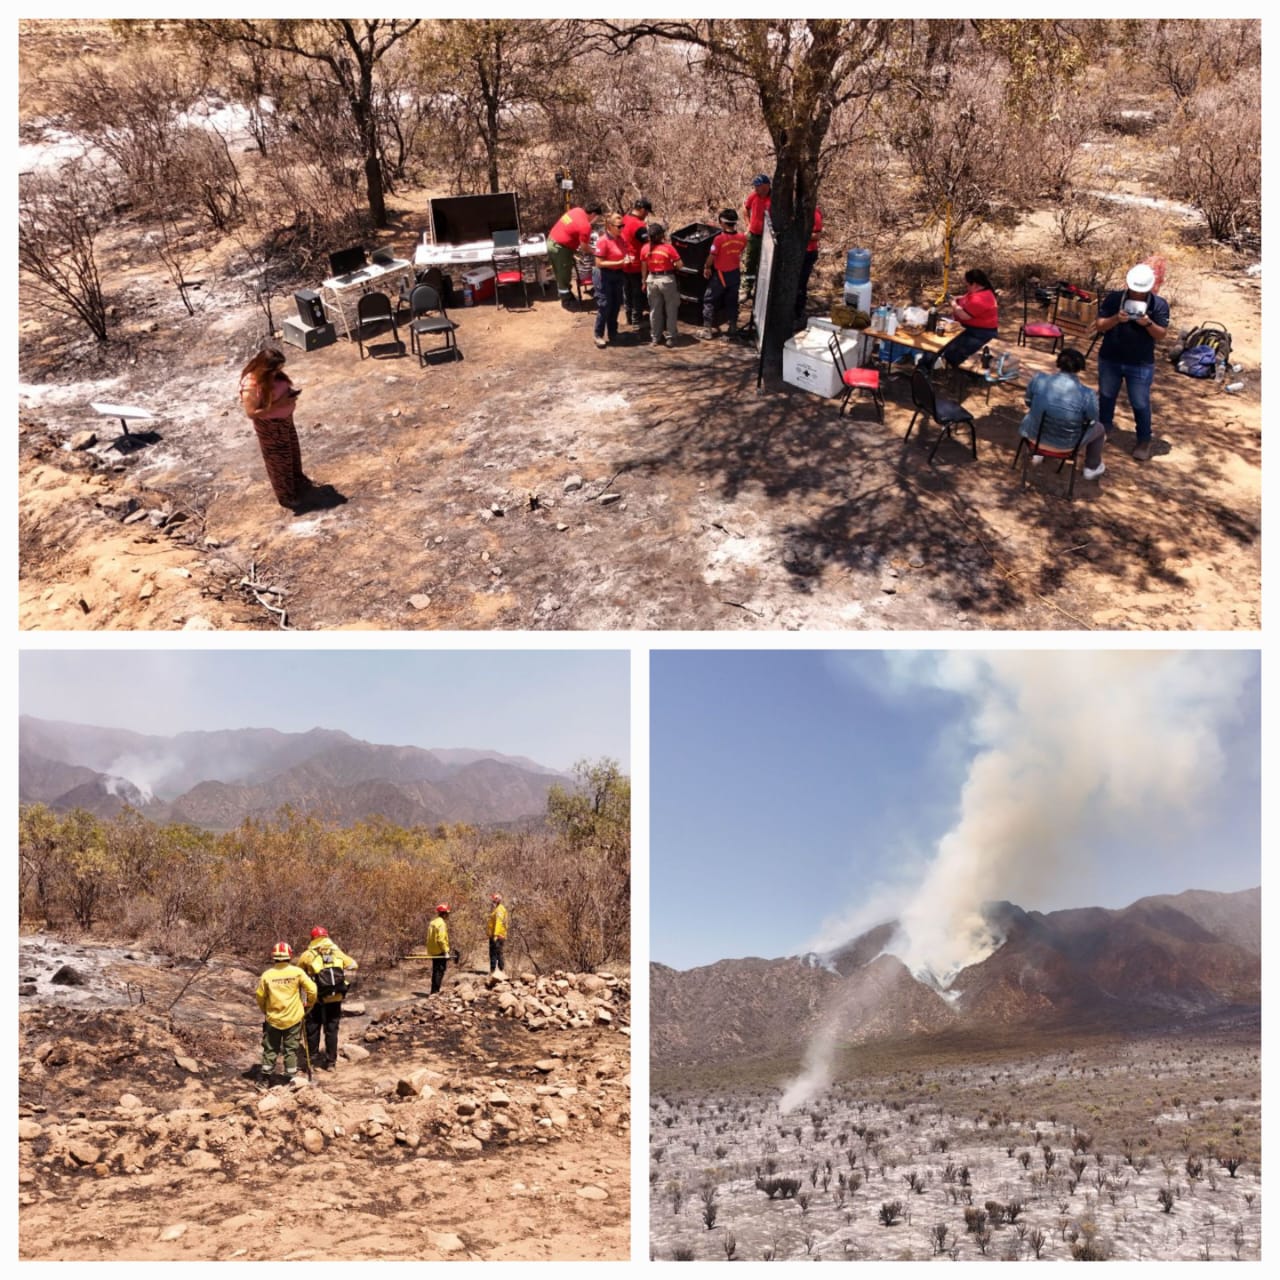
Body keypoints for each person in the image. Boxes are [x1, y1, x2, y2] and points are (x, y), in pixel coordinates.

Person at [1094, 263, 1171, 462]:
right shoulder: (1114, 299)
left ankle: (1144, 440)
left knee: (1140, 402)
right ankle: (1103, 429)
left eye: (1141, 290)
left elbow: (1161, 334)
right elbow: (1100, 326)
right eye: (1134, 289)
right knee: (1106, 396)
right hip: (1111, 357)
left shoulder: (1159, 305)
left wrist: (1147, 323)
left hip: (1140, 362)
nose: (1136, 293)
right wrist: (1116, 319)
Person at [238, 347, 315, 513]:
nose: (278, 372)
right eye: (275, 369)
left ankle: (296, 481)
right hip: (271, 427)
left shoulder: (274, 376)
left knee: (291, 454)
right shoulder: (251, 385)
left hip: (286, 421)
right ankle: (286, 495)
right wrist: (279, 405)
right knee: (279, 462)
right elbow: (252, 413)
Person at [1019, 348, 1108, 481]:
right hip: (1066, 446)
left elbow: (1028, 402)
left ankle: (1038, 454)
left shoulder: (1038, 379)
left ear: (1058, 363)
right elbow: (1092, 420)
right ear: (1080, 369)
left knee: (1038, 415)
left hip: (1033, 437)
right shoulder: (1088, 394)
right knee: (1099, 429)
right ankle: (1091, 467)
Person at [255, 941, 317, 1085]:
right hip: (294, 1018)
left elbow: (260, 996)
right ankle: (291, 1079)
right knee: (291, 1049)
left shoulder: (267, 975)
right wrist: (308, 1005)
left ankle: (265, 1080)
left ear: (274, 956)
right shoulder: (297, 972)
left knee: (270, 1049)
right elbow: (312, 990)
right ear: (290, 955)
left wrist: (265, 1010)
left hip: (273, 1019)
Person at [298, 926, 358, 1071]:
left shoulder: (308, 954)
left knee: (312, 1028)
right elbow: (354, 965)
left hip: (315, 998)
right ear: (327, 937)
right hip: (335, 997)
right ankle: (331, 1062)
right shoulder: (337, 952)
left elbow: (298, 972)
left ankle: (312, 1059)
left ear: (312, 939)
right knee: (331, 1030)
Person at [925, 269, 1000, 371]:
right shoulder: (976, 291)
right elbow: (965, 298)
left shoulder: (983, 298)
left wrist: (953, 303)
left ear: (975, 284)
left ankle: (962, 371)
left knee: (951, 349)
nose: (966, 287)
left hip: (980, 334)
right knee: (940, 337)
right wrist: (953, 298)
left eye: (967, 285)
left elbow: (964, 315)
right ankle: (931, 361)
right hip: (966, 328)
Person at [546, 202, 605, 309]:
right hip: (560, 249)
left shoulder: (576, 211)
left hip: (552, 241)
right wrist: (596, 252)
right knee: (563, 274)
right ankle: (567, 300)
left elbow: (569, 227)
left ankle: (567, 294)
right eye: (596, 217)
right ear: (593, 214)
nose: (595, 219)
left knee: (560, 272)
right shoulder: (585, 226)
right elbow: (584, 247)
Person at [700, 209, 747, 340]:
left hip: (720, 276)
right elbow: (740, 251)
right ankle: (732, 327)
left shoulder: (719, 239)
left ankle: (707, 330)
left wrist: (706, 267)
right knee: (732, 300)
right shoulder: (742, 237)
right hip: (735, 274)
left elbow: (711, 256)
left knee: (709, 299)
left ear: (723, 223)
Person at [590, 213, 632, 349]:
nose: (621, 228)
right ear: (610, 226)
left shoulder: (620, 238)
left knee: (615, 304)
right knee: (605, 304)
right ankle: (598, 335)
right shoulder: (603, 241)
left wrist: (627, 259)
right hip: (604, 275)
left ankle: (613, 332)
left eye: (622, 226)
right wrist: (619, 261)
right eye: (619, 226)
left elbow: (624, 252)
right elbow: (599, 263)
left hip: (618, 274)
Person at [640, 223, 684, 348]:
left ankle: (655, 337)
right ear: (661, 235)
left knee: (654, 310)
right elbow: (680, 265)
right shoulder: (668, 248)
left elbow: (644, 266)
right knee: (670, 309)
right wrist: (673, 265)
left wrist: (643, 281)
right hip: (667, 280)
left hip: (651, 280)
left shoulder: (644, 249)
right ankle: (670, 338)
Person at [620, 198, 653, 326]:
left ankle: (629, 317)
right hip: (637, 265)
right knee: (638, 293)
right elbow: (648, 243)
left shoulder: (624, 219)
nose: (646, 215)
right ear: (643, 210)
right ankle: (637, 320)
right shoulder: (639, 225)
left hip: (624, 262)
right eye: (647, 212)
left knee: (627, 292)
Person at [742, 175, 772, 296]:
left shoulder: (775, 198)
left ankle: (761, 290)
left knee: (765, 263)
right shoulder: (753, 195)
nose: (756, 188)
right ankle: (746, 289)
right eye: (755, 186)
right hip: (753, 235)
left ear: (766, 186)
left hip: (768, 238)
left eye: (758, 186)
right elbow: (745, 207)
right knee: (750, 262)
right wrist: (748, 225)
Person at [795, 205, 824, 324]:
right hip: (799, 252)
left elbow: (817, 235)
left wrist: (800, 235)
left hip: (808, 253)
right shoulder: (798, 211)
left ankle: (799, 313)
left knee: (801, 284)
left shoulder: (814, 214)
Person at [426, 903, 451, 994]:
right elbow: (441, 939)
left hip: (433, 950)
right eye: (447, 913)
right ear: (444, 914)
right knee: (439, 971)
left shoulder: (433, 922)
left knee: (435, 970)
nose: (448, 915)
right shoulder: (441, 924)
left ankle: (433, 991)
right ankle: (435, 992)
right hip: (440, 951)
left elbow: (429, 937)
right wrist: (446, 951)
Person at [486, 893, 509, 976]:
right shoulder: (497, 909)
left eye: (493, 900)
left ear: (497, 900)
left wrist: (495, 935)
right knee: (498, 953)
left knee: (494, 953)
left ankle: (495, 971)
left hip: (498, 936)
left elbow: (499, 923)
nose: (492, 901)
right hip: (496, 935)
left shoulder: (499, 909)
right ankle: (499, 971)